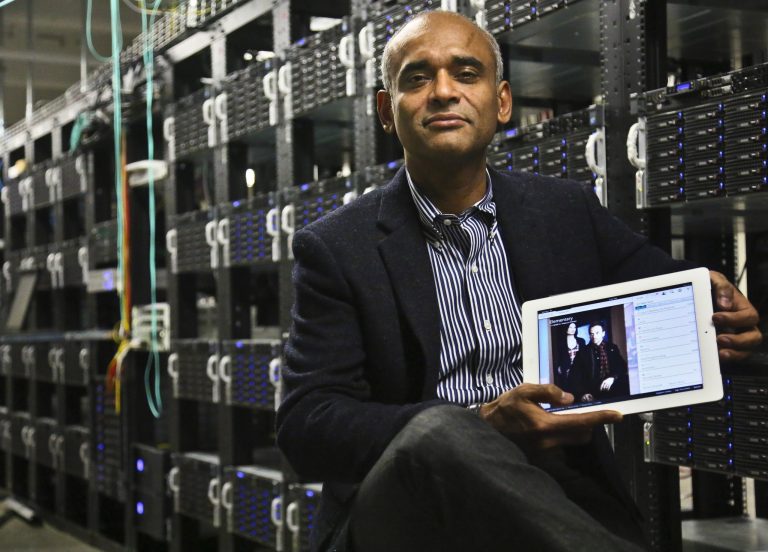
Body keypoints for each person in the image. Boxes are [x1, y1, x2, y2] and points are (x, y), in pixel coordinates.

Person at [276, 10, 762, 552]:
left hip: (556, 487)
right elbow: (307, 424)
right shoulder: (337, 247)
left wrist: (718, 303)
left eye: (466, 73)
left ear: (502, 102)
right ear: (387, 111)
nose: (443, 91)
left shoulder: (565, 212)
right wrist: (480, 424)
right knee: (440, 431)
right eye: (417, 77)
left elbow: (668, 293)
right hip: (407, 510)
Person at [569, 322, 629, 402]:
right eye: (592, 334)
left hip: (612, 387)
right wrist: (582, 394)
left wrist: (612, 378)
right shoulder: (582, 352)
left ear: (603, 333)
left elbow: (622, 366)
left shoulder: (612, 347)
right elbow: (574, 376)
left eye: (597, 333)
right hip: (592, 391)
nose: (594, 336)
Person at [555, 321, 587, 389]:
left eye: (574, 327)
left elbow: (585, 356)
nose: (573, 329)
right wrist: (558, 367)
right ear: (566, 328)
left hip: (579, 371)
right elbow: (558, 357)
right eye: (570, 327)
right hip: (566, 371)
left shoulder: (581, 341)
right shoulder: (561, 343)